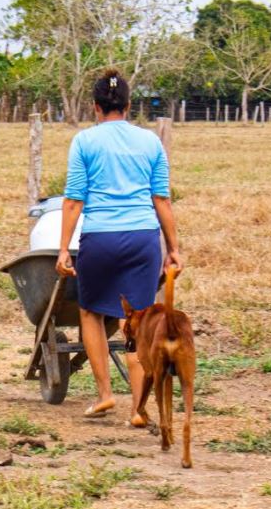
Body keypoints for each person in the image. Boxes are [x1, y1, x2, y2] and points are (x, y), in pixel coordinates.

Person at [56, 68, 183, 423]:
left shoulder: (84, 142)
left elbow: (73, 201)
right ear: (128, 106)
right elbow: (162, 201)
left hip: (101, 238)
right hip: (144, 239)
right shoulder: (150, 143)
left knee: (90, 313)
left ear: (96, 107)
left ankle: (105, 395)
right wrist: (173, 249)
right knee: (140, 321)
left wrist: (64, 249)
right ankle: (139, 409)